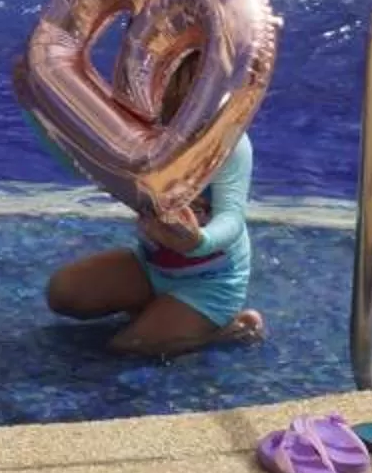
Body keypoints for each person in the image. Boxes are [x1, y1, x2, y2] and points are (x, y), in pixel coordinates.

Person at [43, 65, 264, 358]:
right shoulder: (144, 132)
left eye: (189, 83)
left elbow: (231, 219)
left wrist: (199, 241)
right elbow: (81, 163)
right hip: (152, 265)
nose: (175, 92)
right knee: (63, 293)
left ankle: (229, 330)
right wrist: (35, 110)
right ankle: (155, 309)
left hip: (210, 283)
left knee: (129, 348)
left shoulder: (227, 140)